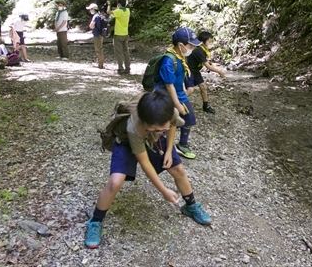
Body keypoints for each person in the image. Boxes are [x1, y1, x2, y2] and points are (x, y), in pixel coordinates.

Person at [85, 90, 212, 249]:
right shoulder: (135, 126)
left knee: (178, 169)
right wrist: (164, 190)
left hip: (152, 139)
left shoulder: (168, 112)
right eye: (155, 128)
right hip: (125, 141)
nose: (160, 131)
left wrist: (168, 150)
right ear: (145, 122)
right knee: (115, 182)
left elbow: (172, 124)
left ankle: (191, 205)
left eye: (161, 128)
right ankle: (95, 221)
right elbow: (145, 163)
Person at [154, 27, 202, 159]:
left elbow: (186, 73)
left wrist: (189, 85)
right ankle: (160, 146)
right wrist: (177, 104)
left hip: (179, 92)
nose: (192, 48)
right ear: (181, 45)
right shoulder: (168, 61)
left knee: (189, 119)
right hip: (164, 96)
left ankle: (182, 144)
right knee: (166, 123)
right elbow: (169, 86)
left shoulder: (182, 56)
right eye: (191, 45)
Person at [185, 31, 226, 114]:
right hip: (188, 71)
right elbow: (208, 67)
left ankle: (205, 106)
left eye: (211, 41)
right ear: (202, 42)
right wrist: (220, 72)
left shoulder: (202, 50)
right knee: (190, 90)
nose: (211, 43)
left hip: (195, 70)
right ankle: (176, 103)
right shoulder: (199, 51)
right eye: (209, 41)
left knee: (203, 86)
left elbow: (206, 62)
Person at [106, 0, 130, 75]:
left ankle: (121, 68)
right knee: (126, 52)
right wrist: (118, 7)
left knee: (119, 52)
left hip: (118, 34)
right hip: (125, 34)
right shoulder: (127, 10)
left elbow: (108, 12)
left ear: (119, 4)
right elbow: (119, 10)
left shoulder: (118, 12)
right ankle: (127, 68)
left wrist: (109, 5)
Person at [86, 3, 105, 69]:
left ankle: (100, 64)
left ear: (93, 9)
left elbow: (91, 26)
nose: (89, 11)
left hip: (97, 35)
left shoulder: (95, 16)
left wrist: (91, 26)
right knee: (100, 48)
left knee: (98, 49)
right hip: (101, 34)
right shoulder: (100, 15)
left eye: (90, 9)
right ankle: (100, 62)